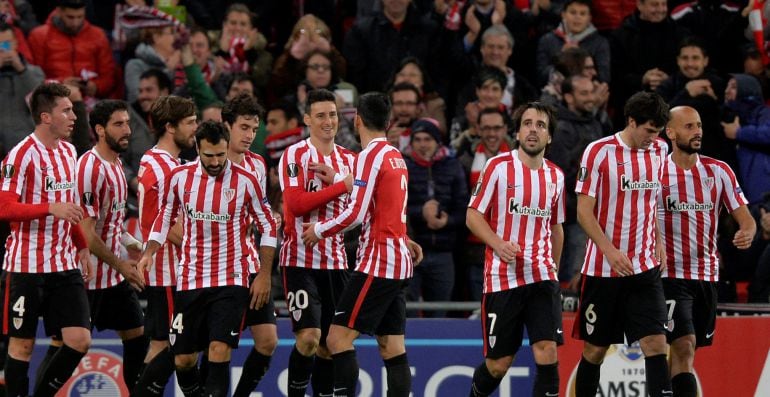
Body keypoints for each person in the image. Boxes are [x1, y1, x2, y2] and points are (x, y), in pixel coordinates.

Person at [139, 120, 277, 396]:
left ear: (227, 148)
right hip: (190, 278)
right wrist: (149, 252)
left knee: (218, 349)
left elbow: (269, 226)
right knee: (183, 359)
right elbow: (164, 217)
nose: (215, 162)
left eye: (220, 155)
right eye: (209, 155)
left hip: (231, 278)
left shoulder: (246, 181)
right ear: (198, 149)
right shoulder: (179, 177)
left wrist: (263, 274)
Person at [301, 92, 422, 397]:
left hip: (378, 261)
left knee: (337, 339)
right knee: (391, 346)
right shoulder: (395, 156)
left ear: (357, 121)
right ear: (388, 121)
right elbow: (380, 206)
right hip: (398, 260)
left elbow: (355, 215)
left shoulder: (369, 156)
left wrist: (319, 229)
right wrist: (341, 180)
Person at [573, 91, 672, 397]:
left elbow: (651, 200)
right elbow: (583, 212)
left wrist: (658, 240)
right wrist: (609, 251)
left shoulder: (659, 150)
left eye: (657, 132)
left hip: (644, 267)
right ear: (631, 121)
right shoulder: (598, 152)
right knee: (596, 349)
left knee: (657, 343)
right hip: (604, 270)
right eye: (649, 131)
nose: (653, 138)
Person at [0, 82, 93, 397]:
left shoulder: (69, 152)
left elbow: (70, 206)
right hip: (25, 265)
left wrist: (81, 246)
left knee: (80, 340)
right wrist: (48, 208)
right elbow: (5, 207)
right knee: (22, 345)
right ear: (45, 117)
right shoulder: (21, 155)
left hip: (63, 263)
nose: (74, 116)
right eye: (66, 110)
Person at [466, 101, 565, 397]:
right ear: (518, 133)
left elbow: (557, 226)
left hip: (542, 278)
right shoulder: (497, 167)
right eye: (527, 123)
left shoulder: (556, 176)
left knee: (547, 352)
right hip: (502, 278)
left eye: (541, 125)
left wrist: (554, 272)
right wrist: (497, 244)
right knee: (498, 365)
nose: (533, 129)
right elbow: (473, 215)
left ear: (549, 137)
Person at [660, 106, 756, 397]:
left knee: (687, 354)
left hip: (706, 275)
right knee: (683, 343)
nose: (698, 131)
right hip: (669, 275)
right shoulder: (657, 173)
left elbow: (746, 219)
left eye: (699, 125)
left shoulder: (719, 171)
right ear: (671, 132)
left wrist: (747, 232)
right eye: (688, 126)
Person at [278, 88, 356, 397]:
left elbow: (363, 208)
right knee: (309, 337)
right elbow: (296, 205)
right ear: (307, 118)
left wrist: (340, 180)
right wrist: (342, 186)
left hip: (336, 263)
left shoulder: (350, 160)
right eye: (321, 115)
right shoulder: (295, 155)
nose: (328, 121)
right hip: (298, 260)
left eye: (333, 115)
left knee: (327, 346)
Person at [75, 99, 148, 388]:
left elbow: (111, 222)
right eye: (119, 124)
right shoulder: (90, 169)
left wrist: (133, 243)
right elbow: (87, 233)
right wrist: (123, 265)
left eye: (128, 122)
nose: (127, 129)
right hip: (86, 278)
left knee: (137, 338)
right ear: (100, 130)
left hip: (112, 278)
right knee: (69, 348)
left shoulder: (117, 164)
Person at [132, 95, 197, 396]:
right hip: (170, 272)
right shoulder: (161, 168)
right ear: (170, 127)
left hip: (170, 272)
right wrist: (204, 247)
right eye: (189, 123)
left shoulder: (161, 162)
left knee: (162, 343)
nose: (195, 129)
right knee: (177, 344)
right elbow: (164, 223)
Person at [221, 93, 278, 396]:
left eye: (254, 129)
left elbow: (262, 212)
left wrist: (264, 273)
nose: (249, 135)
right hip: (216, 270)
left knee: (267, 341)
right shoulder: (208, 162)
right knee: (217, 348)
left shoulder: (257, 164)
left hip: (251, 264)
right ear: (226, 125)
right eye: (243, 127)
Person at [404, 118, 468, 317]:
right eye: (418, 139)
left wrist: (447, 220)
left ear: (437, 142)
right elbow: (394, 208)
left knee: (439, 313)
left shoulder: (453, 166)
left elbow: (465, 209)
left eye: (428, 139)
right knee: (407, 313)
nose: (423, 144)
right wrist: (420, 212)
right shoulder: (401, 166)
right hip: (411, 251)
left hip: (443, 253)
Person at [27, 0, 116, 98]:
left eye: (80, 17)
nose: (75, 23)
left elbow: (108, 76)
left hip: (91, 99)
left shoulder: (98, 35)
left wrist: (96, 86)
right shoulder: (39, 36)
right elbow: (33, 77)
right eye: (70, 17)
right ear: (59, 12)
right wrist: (60, 83)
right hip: (53, 98)